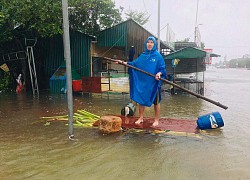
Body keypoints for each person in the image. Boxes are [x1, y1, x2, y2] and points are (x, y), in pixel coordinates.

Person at [116, 36, 167, 127]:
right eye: (148, 42)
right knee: (141, 100)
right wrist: (122, 62)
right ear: (146, 44)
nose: (150, 44)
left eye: (152, 42)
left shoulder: (158, 56)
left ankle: (156, 120)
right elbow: (134, 65)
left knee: (156, 102)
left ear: (154, 44)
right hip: (144, 83)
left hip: (154, 84)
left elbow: (162, 69)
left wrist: (159, 73)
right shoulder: (143, 56)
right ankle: (141, 117)